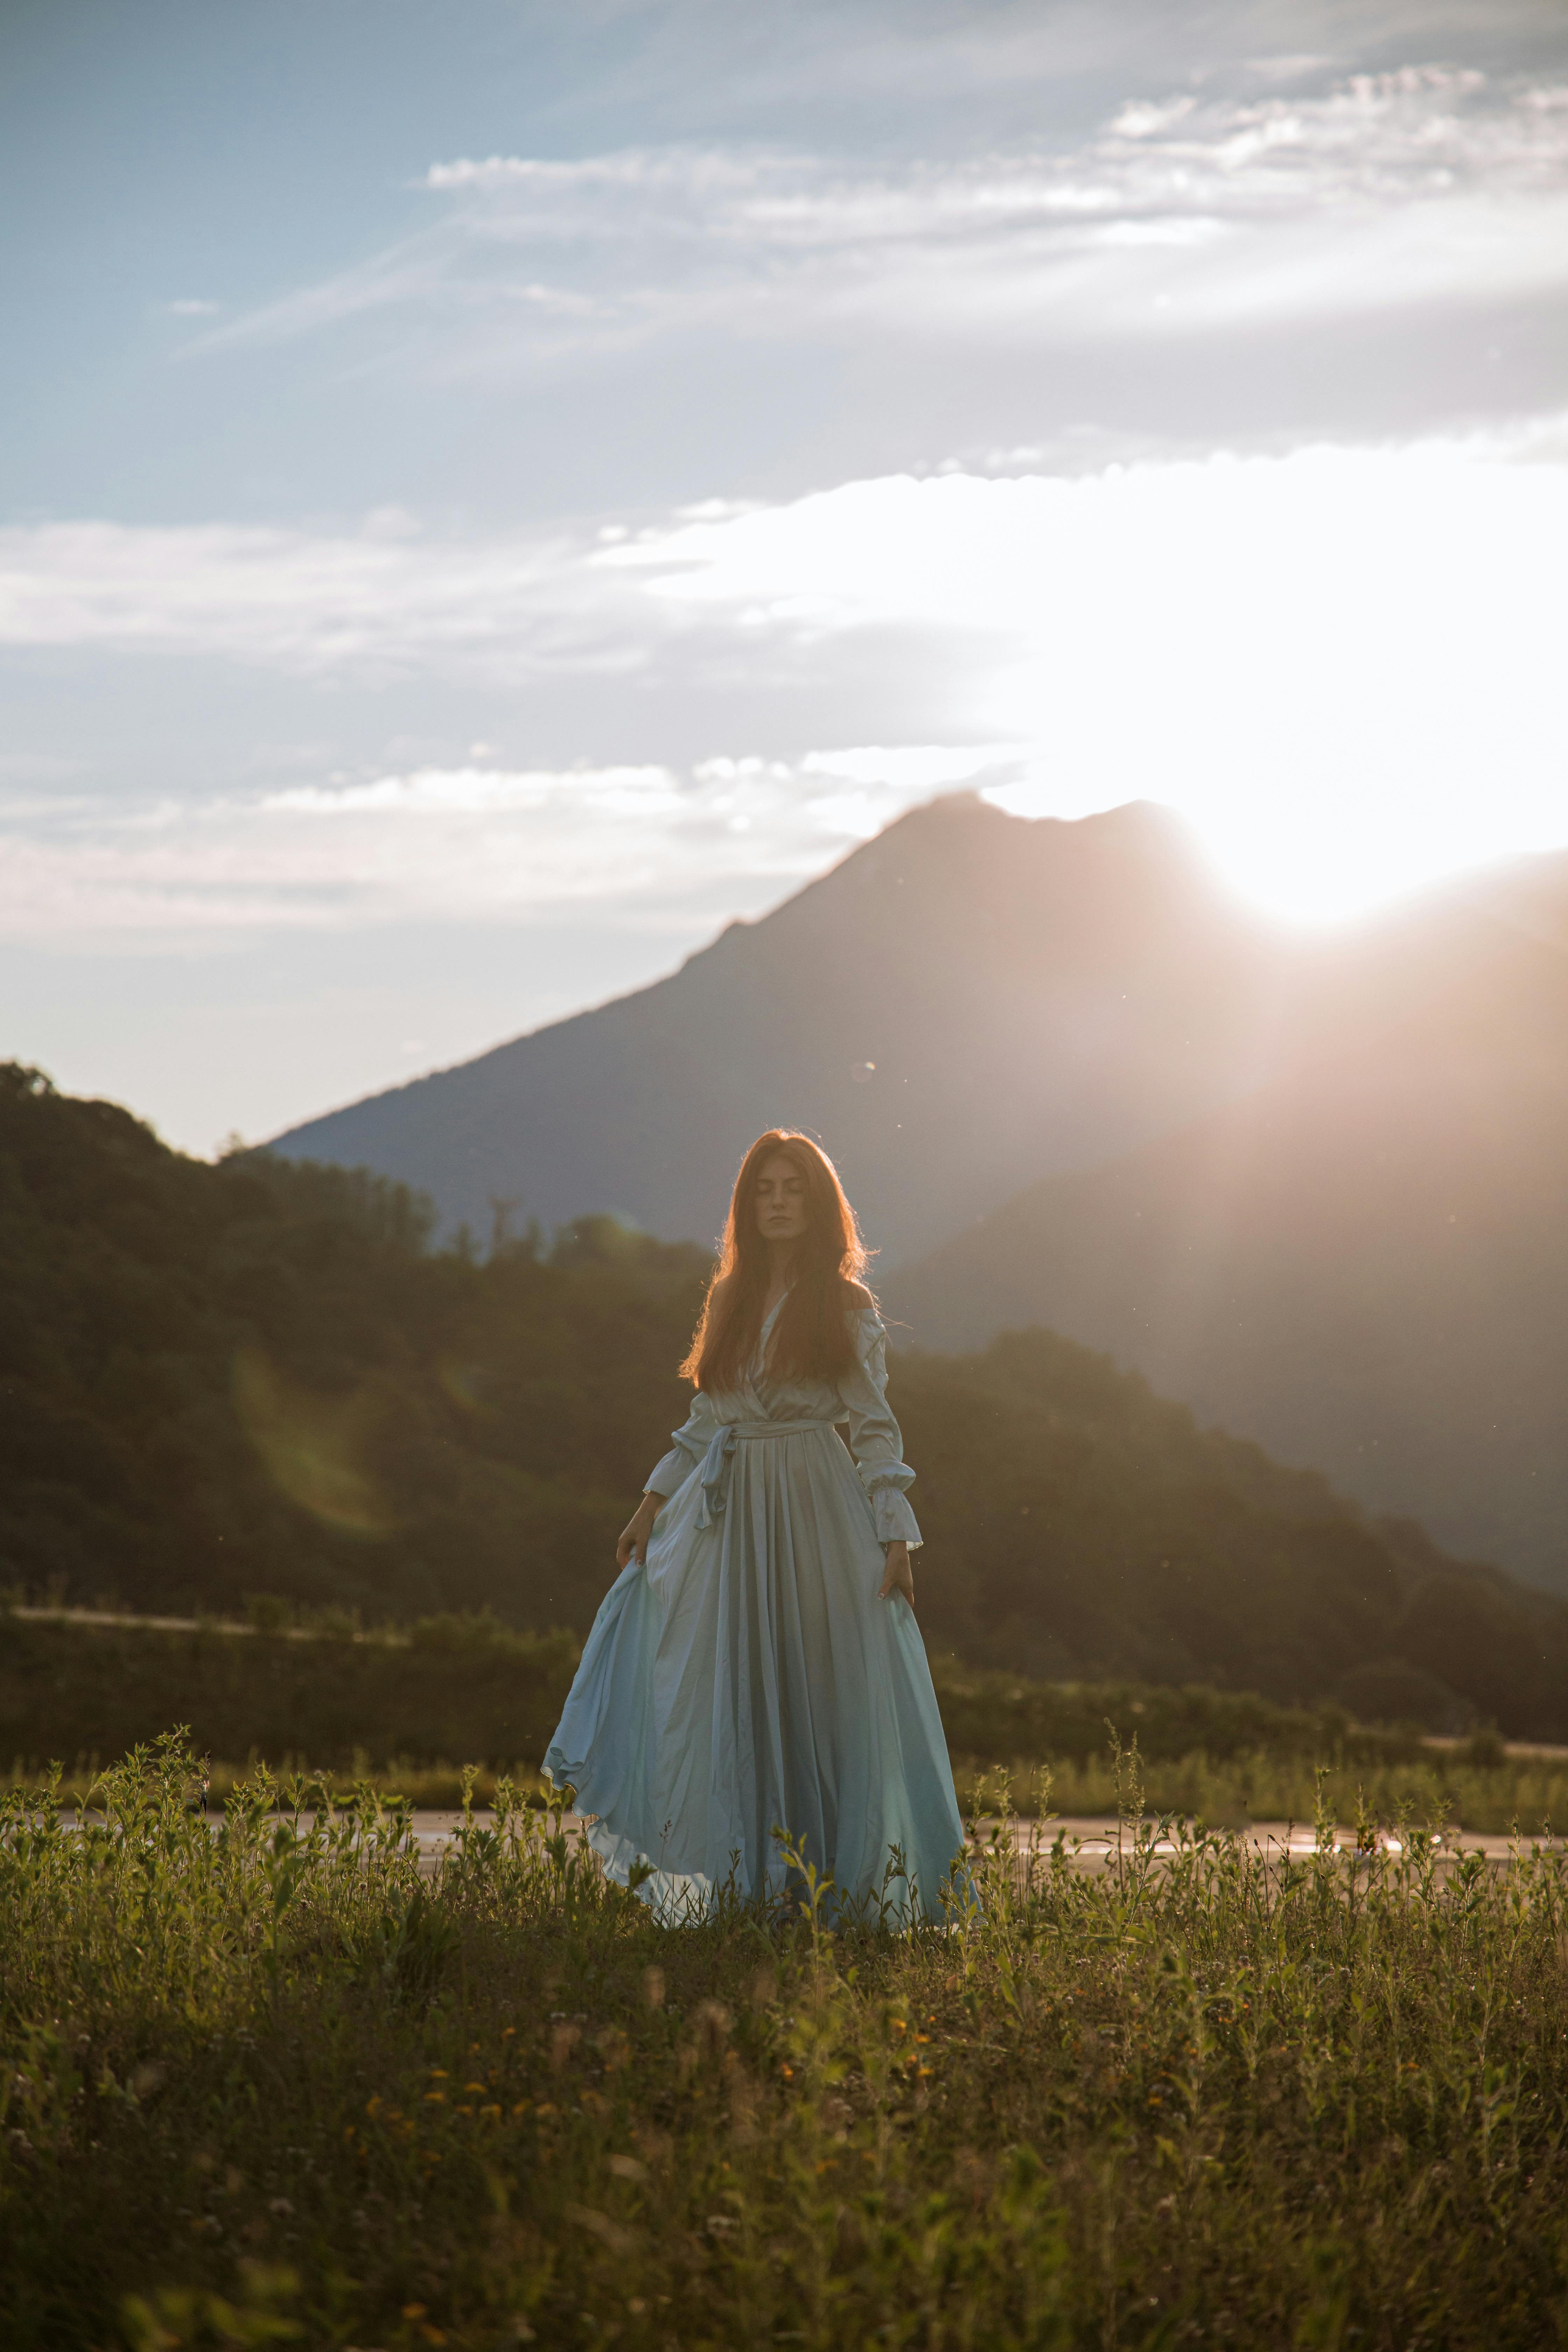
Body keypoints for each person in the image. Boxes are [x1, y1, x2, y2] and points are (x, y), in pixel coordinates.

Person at [544, 1129, 968, 1925]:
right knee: (732, 1686)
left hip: (815, 1503)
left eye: (792, 1189)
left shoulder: (844, 1302)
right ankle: (750, 1887)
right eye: (764, 1190)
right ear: (746, 1205)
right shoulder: (728, 1299)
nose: (777, 1203)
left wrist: (895, 1534)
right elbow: (705, 1419)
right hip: (731, 1512)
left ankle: (832, 1888)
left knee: (818, 1690)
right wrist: (649, 1506)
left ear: (819, 1203)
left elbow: (873, 1425)